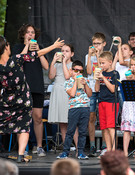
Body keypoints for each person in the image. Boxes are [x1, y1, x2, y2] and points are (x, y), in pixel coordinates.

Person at [0, 35, 64, 162]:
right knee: (23, 127)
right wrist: (54, 46)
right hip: (23, 99)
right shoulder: (15, 59)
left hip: (6, 101)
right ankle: (20, 155)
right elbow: (38, 53)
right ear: (6, 47)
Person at [11, 24, 49, 156]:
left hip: (37, 86)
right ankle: (23, 149)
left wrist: (38, 51)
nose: (30, 35)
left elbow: (46, 66)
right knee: (22, 119)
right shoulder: (17, 47)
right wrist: (27, 46)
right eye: (28, 32)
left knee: (38, 117)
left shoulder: (40, 49)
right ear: (23, 35)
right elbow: (17, 62)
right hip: (22, 88)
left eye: (32, 32)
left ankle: (38, 146)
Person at [57, 60, 92, 159]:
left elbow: (90, 94)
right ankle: (65, 152)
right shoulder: (68, 82)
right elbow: (72, 94)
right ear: (71, 70)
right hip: (74, 108)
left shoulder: (86, 80)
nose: (78, 73)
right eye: (76, 70)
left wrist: (85, 84)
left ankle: (80, 152)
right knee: (70, 131)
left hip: (85, 107)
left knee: (83, 131)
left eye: (80, 71)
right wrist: (76, 82)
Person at [48, 44, 78, 147]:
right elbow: (51, 76)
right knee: (62, 122)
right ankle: (66, 147)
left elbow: (67, 77)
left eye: (67, 51)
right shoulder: (56, 64)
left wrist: (64, 62)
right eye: (62, 51)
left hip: (68, 92)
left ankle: (79, 148)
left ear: (72, 54)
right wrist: (53, 61)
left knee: (72, 122)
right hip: (58, 91)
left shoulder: (74, 65)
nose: (64, 53)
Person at [85, 32, 107, 156]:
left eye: (98, 44)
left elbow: (102, 69)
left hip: (103, 88)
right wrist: (89, 56)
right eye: (94, 44)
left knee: (103, 117)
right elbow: (88, 71)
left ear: (104, 44)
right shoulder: (88, 55)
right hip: (92, 89)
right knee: (91, 117)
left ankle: (104, 145)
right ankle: (92, 145)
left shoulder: (106, 56)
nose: (96, 46)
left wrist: (99, 57)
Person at [120, 54, 135, 158]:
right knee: (127, 129)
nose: (133, 67)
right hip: (129, 104)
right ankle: (125, 152)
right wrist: (128, 79)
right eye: (131, 65)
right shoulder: (128, 75)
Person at [95, 51, 120, 154]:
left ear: (110, 62)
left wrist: (103, 78)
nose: (101, 65)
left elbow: (113, 89)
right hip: (101, 101)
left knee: (111, 127)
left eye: (103, 63)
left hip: (111, 102)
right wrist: (97, 78)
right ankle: (109, 150)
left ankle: (114, 150)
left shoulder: (115, 73)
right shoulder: (102, 73)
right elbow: (96, 89)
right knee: (104, 128)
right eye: (100, 63)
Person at [112, 37, 133, 125]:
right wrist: (115, 58)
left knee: (126, 111)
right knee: (115, 112)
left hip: (125, 90)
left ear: (131, 52)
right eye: (121, 49)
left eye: (125, 49)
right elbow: (112, 70)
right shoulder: (117, 62)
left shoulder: (131, 61)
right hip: (117, 89)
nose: (122, 50)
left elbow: (121, 62)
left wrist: (119, 45)